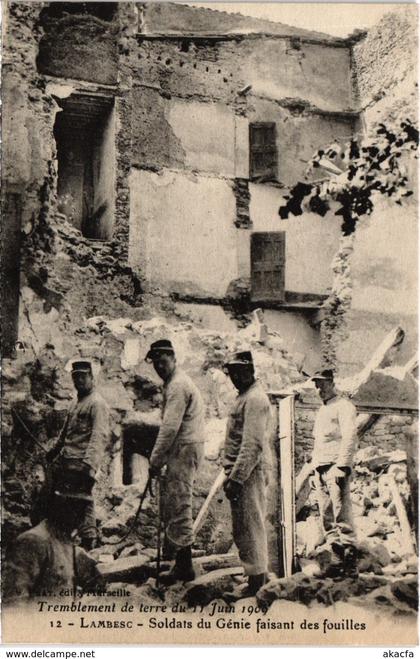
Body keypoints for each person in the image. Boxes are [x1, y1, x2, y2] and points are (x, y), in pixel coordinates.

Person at [146, 339, 205, 583]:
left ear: (173, 358)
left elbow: (170, 428)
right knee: (174, 502)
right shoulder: (173, 383)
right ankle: (178, 558)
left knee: (180, 503)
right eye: (156, 363)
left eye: (163, 361)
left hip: (184, 447)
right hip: (184, 447)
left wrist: (154, 460)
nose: (160, 367)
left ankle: (185, 566)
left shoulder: (178, 385)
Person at [46, 360, 110, 550]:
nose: (79, 380)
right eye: (76, 377)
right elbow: (65, 433)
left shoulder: (97, 404)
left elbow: (99, 436)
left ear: (91, 377)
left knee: (84, 500)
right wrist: (55, 451)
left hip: (82, 463)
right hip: (68, 461)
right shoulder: (75, 403)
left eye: (83, 376)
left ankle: (89, 540)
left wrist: (89, 465)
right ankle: (70, 540)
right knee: (67, 500)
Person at [223, 350, 272, 596]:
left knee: (251, 527)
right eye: (231, 373)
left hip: (248, 473)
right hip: (239, 472)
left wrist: (236, 478)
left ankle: (257, 585)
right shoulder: (244, 397)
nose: (234, 378)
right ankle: (254, 579)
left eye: (238, 372)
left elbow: (252, 444)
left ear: (249, 370)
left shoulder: (255, 399)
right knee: (243, 528)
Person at [3, 490, 102, 605]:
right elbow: (13, 607)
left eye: (83, 509)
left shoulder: (66, 542)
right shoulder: (32, 541)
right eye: (76, 507)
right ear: (59, 506)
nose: (82, 517)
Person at [310, 369, 358, 544]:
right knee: (327, 518)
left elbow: (350, 436)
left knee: (342, 518)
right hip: (320, 469)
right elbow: (319, 442)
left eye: (322, 384)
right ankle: (337, 563)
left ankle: (350, 568)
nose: (319, 389)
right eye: (316, 385)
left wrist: (342, 466)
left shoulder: (344, 406)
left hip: (335, 468)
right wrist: (314, 470)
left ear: (332, 383)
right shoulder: (323, 409)